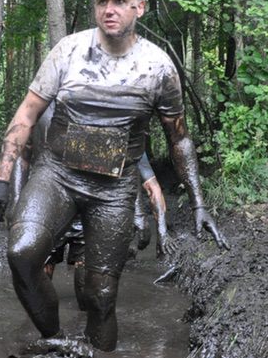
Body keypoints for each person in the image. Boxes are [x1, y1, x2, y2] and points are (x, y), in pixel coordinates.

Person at [0, 0, 227, 352]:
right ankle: (55, 340)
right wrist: (1, 181)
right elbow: (26, 115)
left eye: (119, 1)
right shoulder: (68, 51)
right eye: (102, 1)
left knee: (100, 297)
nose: (109, 9)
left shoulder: (158, 67)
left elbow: (178, 138)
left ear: (139, 8)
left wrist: (198, 202)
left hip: (113, 191)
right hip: (57, 175)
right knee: (22, 252)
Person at [11, 101, 178, 310]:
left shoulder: (109, 115)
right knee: (38, 284)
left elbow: (130, 174)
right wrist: (17, 202)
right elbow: (22, 154)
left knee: (87, 295)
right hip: (50, 206)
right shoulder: (43, 109)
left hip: (88, 210)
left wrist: (149, 222)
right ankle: (44, 327)